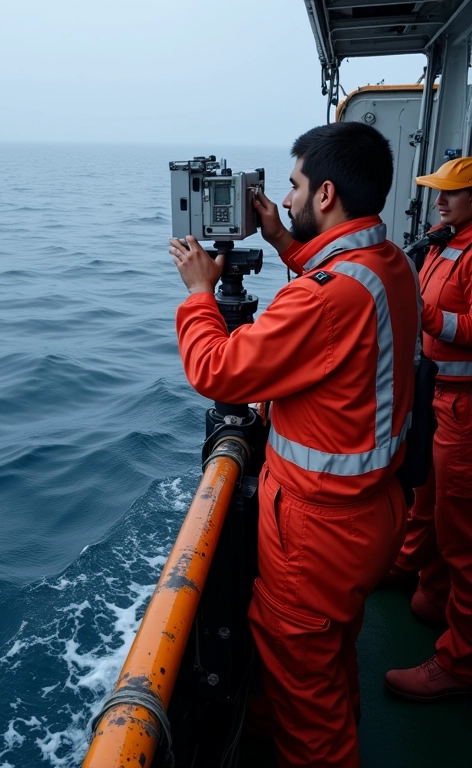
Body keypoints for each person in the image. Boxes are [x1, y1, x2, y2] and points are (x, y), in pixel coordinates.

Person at [169, 122, 419, 768]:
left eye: (294, 186)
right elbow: (333, 271)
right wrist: (282, 239)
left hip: (318, 535)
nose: (283, 199)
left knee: (310, 706)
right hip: (372, 515)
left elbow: (217, 371)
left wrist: (200, 294)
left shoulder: (325, 299)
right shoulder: (387, 265)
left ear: (327, 193)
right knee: (330, 659)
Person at [384, 157, 472, 700]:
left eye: (451, 194)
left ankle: (461, 663)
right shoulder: (445, 242)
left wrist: (431, 319)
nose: (438, 201)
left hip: (466, 409)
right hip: (439, 398)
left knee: (464, 535)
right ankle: (426, 583)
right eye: (436, 193)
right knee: (428, 500)